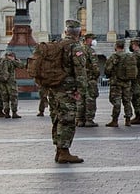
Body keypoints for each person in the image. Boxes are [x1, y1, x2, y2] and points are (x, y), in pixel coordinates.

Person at [43, 20, 88, 164]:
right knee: (67, 120)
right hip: (67, 89)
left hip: (54, 88)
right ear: (79, 34)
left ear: (66, 32)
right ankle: (64, 152)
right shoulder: (75, 47)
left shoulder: (57, 45)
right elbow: (80, 71)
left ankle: (58, 150)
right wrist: (81, 90)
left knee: (57, 119)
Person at [106, 39, 136, 127]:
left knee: (117, 102)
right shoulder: (129, 56)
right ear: (124, 46)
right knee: (127, 101)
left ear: (116, 46)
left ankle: (115, 120)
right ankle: (128, 119)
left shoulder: (114, 57)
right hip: (127, 83)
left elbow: (107, 70)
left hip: (116, 83)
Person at [78, 36, 103, 127]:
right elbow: (95, 66)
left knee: (80, 99)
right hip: (89, 79)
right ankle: (89, 120)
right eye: (92, 39)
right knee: (90, 99)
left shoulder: (79, 50)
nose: (93, 41)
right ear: (87, 40)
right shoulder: (90, 51)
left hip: (80, 79)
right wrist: (95, 76)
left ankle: (80, 120)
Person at [0, 50, 17, 119]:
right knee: (5, 98)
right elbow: (21, 65)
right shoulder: (8, 62)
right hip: (4, 82)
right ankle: (1, 112)